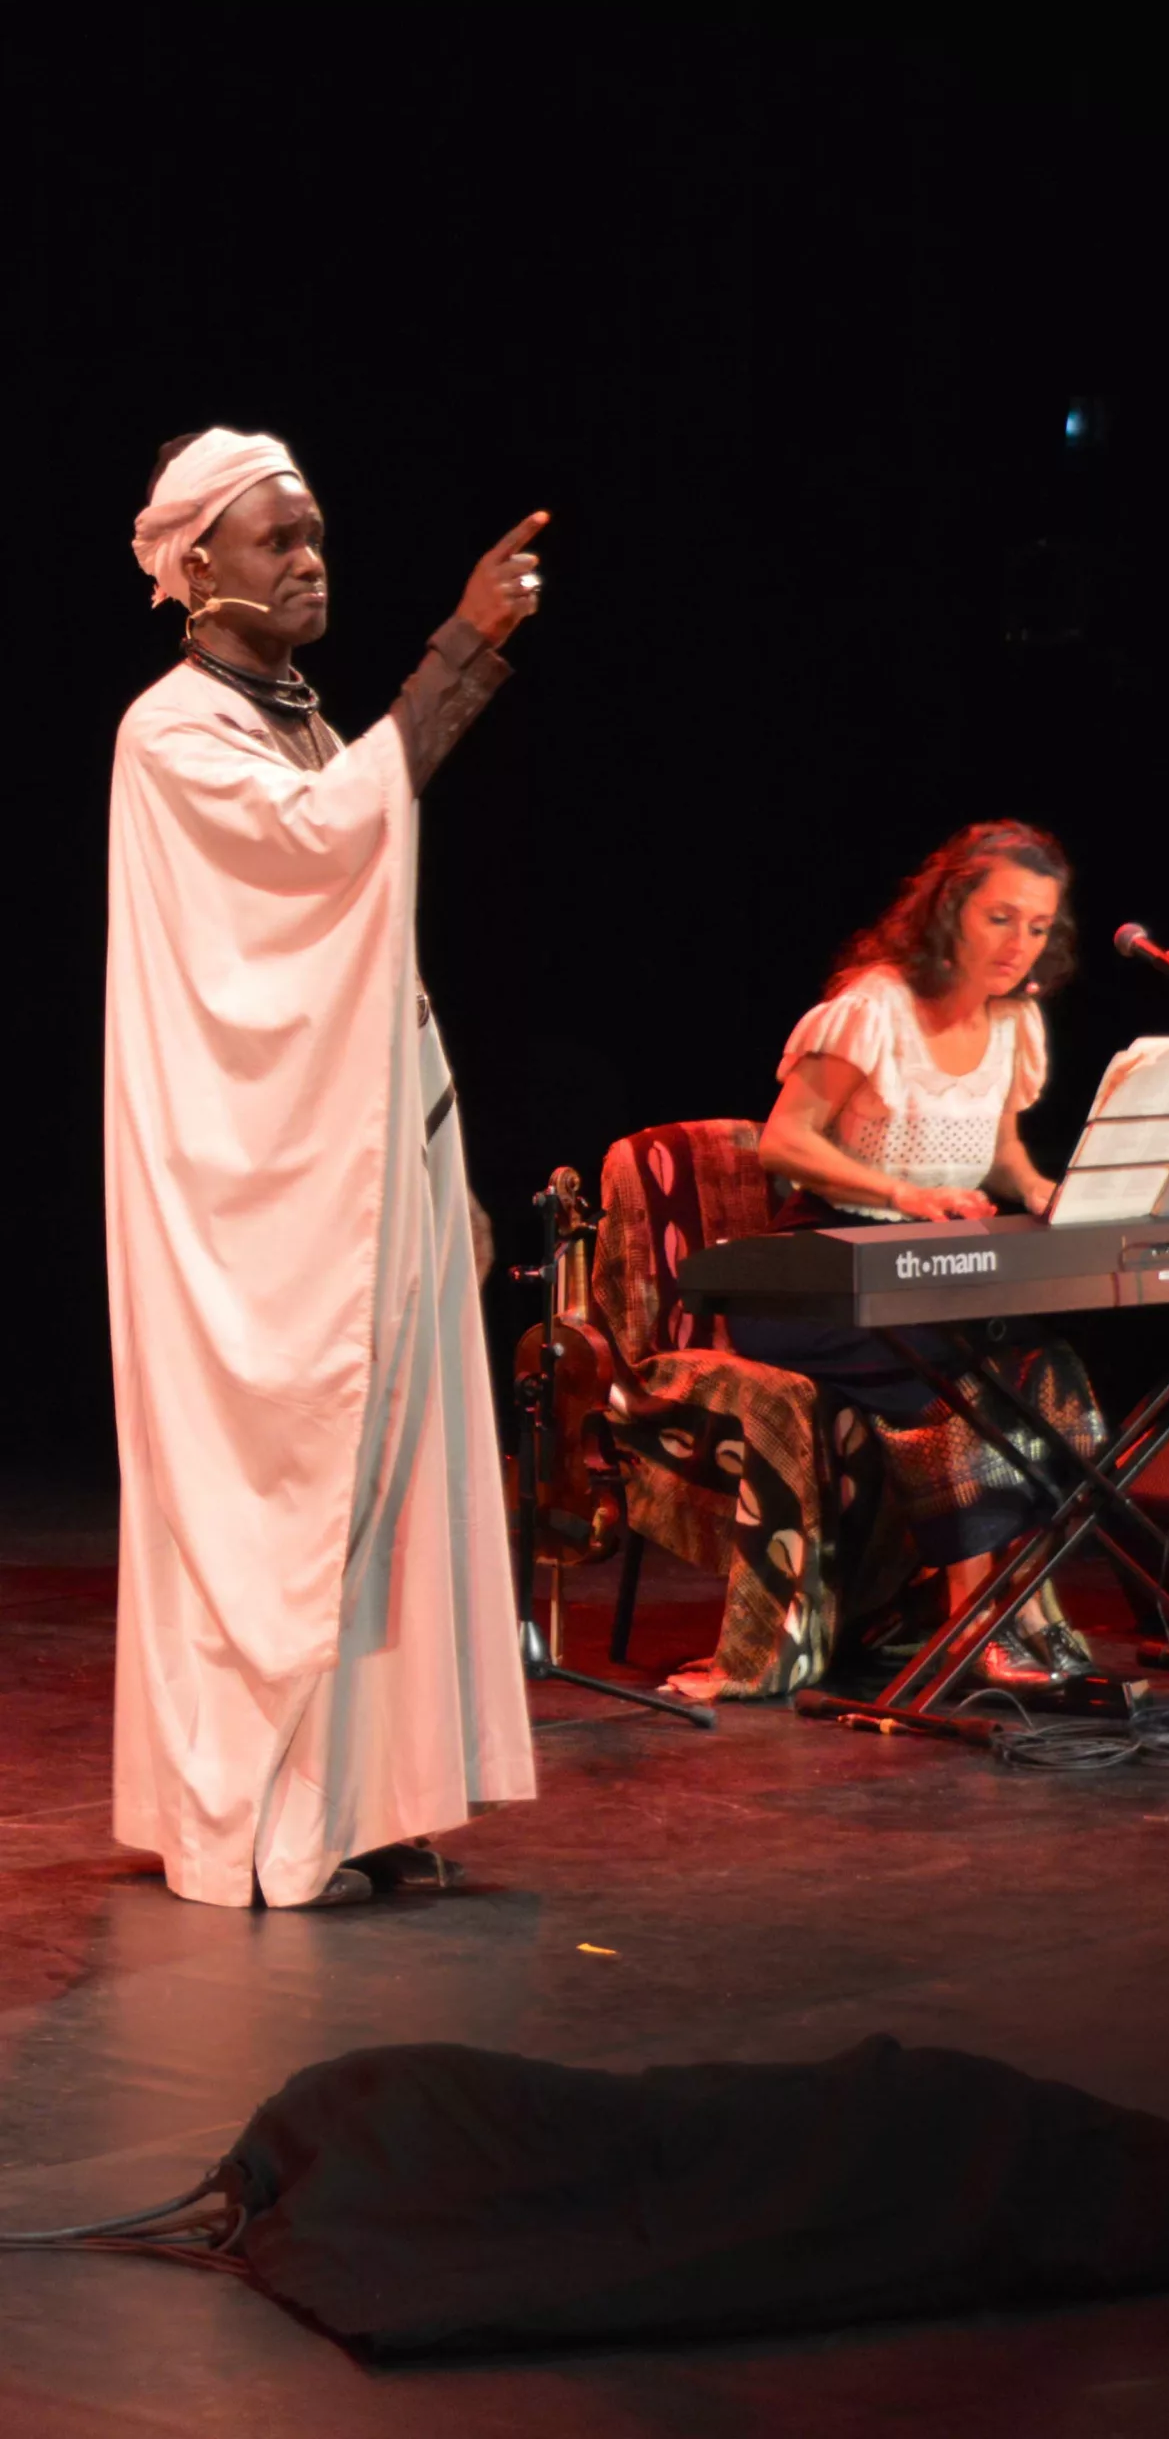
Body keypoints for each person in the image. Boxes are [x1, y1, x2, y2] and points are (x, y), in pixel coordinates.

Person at [108, 426, 546, 1908]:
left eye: (312, 536)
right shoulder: (173, 734)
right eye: (274, 541)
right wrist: (463, 648)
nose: (308, 562)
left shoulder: (293, 724)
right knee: (292, 1485)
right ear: (194, 566)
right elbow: (318, 851)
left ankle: (359, 1797)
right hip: (256, 1198)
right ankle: (257, 1815)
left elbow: (357, 899)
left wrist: (434, 1166)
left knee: (387, 1476)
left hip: (362, 1160)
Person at [662, 821, 1106, 1702]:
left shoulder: (1013, 1020)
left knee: (1047, 1372)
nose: (1019, 944)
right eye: (999, 918)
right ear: (948, 910)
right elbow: (785, 1142)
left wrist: (1040, 1188)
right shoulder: (873, 1009)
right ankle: (975, 1629)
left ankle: (1018, 1609)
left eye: (1037, 926)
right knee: (962, 1390)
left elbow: (1000, 1151)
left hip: (927, 1272)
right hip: (820, 1275)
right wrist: (905, 1193)